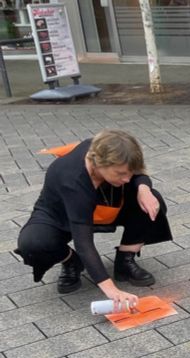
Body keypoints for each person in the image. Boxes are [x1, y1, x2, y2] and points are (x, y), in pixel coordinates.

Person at [15, 130, 172, 311]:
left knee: (153, 201)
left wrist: (144, 188)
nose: (127, 179)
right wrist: (112, 291)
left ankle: (124, 261)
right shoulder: (72, 178)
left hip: (108, 205)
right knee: (33, 243)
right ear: (98, 163)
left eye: (128, 174)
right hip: (63, 212)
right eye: (120, 174)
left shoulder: (111, 149)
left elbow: (136, 173)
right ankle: (71, 261)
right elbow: (84, 242)